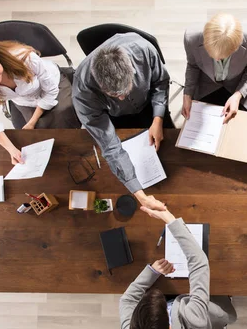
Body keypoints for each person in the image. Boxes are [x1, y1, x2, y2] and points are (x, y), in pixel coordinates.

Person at [119, 206, 237, 329]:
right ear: (169, 326)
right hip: (207, 317)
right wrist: (168, 218)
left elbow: (127, 300)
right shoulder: (194, 320)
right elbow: (199, 263)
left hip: (179, 313)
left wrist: (152, 272)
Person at [72, 33, 172, 211]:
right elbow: (110, 146)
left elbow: (161, 82)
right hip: (115, 117)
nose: (121, 97)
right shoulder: (83, 92)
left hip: (150, 105)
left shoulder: (144, 50)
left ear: (132, 70)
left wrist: (158, 118)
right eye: (114, 95)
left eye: (126, 90)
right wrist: (140, 195)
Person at [0, 35, 80, 165]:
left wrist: (32, 121)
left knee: (64, 123)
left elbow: (50, 91)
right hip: (23, 100)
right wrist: (12, 150)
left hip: (53, 87)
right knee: (35, 137)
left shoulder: (25, 57)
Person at [182, 13, 247, 122]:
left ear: (236, 47)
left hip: (238, 85)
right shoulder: (190, 38)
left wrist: (238, 95)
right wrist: (187, 95)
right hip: (207, 85)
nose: (217, 60)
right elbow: (193, 65)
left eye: (222, 57)